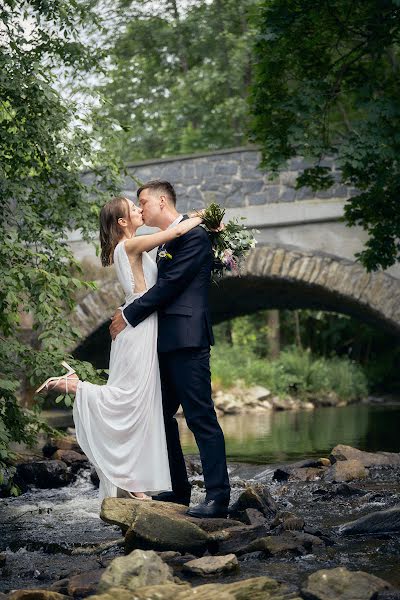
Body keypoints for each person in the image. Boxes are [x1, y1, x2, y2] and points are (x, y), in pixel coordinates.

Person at [35, 195, 203, 501]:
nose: (140, 210)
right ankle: (77, 387)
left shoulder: (131, 247)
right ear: (122, 222)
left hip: (140, 326)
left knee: (141, 406)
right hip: (138, 331)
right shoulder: (128, 245)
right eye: (134, 208)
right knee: (130, 400)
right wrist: (204, 216)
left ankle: (132, 481)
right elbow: (177, 232)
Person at [109, 180, 231, 518]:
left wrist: (128, 315)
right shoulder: (166, 239)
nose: (141, 208)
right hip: (163, 342)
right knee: (159, 417)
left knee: (200, 417)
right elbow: (144, 281)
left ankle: (219, 497)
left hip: (187, 339)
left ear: (162, 201)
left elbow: (170, 284)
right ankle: (178, 491)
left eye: (143, 202)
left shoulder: (194, 236)